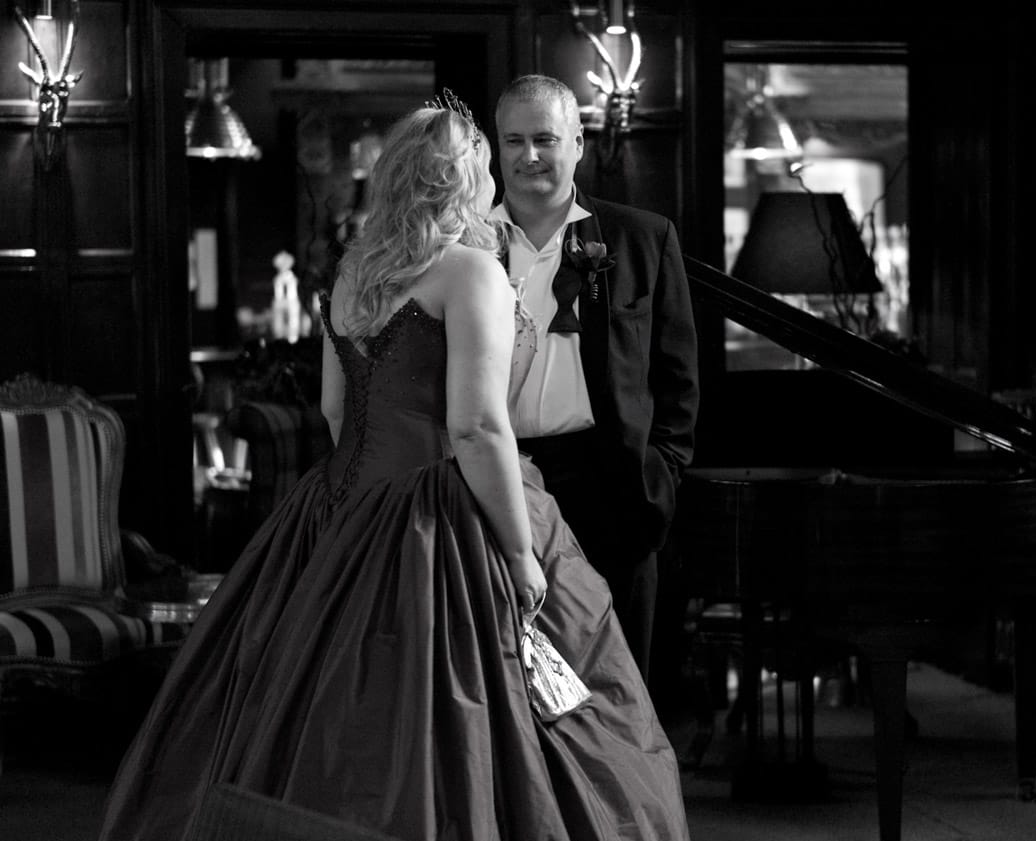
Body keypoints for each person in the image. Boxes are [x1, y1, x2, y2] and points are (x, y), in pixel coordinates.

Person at [97, 97, 690, 841]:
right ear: (464, 178)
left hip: (338, 504)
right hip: (437, 511)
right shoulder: (470, 270)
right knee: (490, 707)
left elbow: (335, 412)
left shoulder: (353, 275)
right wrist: (516, 551)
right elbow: (476, 427)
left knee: (330, 710)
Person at [490, 75, 699, 683]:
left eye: (545, 139)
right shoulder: (464, 247)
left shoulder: (642, 237)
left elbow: (679, 374)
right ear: (497, 150)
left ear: (578, 144)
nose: (529, 156)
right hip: (499, 482)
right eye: (514, 141)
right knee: (513, 682)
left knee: (620, 682)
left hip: (615, 485)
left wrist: (661, 469)